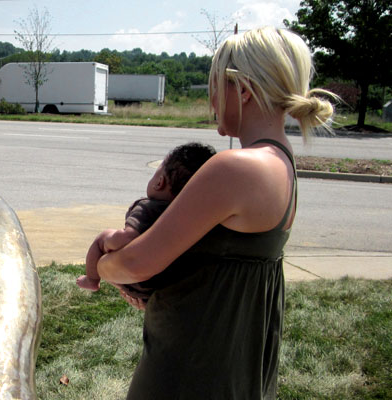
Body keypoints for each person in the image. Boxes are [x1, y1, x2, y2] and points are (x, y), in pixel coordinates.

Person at [96, 27, 337, 399]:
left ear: (242, 89)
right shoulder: (282, 161)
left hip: (190, 374)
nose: (211, 102)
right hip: (237, 371)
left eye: (214, 87)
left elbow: (135, 263)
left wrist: (103, 267)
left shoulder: (235, 168)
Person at [76, 142, 216, 301]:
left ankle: (91, 279)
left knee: (104, 236)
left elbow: (128, 238)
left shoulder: (149, 208)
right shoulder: (195, 215)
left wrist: (110, 242)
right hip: (171, 280)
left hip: (142, 283)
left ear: (159, 183)